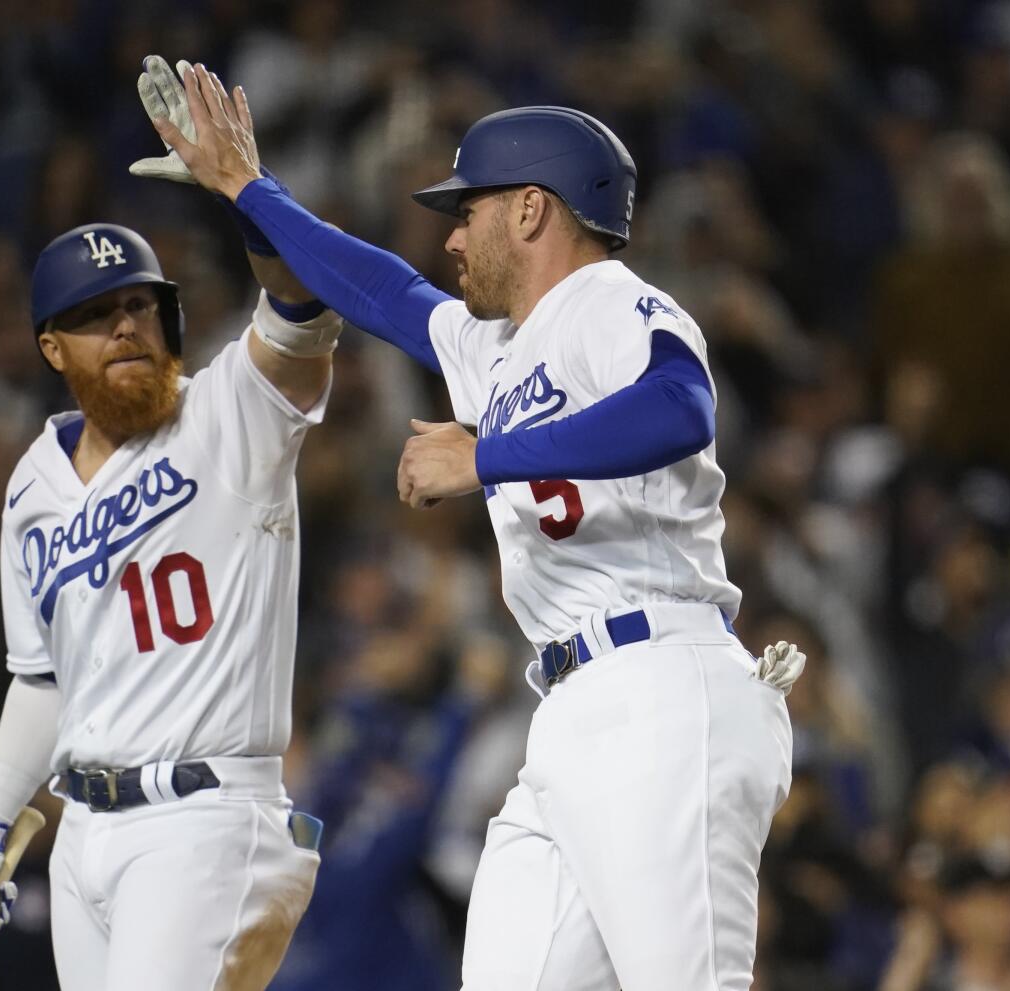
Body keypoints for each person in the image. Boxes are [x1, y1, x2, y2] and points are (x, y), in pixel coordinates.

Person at [142, 56, 805, 989]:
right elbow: (373, 288)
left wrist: (483, 457)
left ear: (531, 209)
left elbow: (679, 408)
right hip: (572, 712)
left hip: (664, 689)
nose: (453, 238)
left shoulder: (608, 300)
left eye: (469, 210)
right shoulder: (494, 347)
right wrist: (248, 187)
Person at [0, 180, 342, 985]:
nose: (126, 325)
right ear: (52, 347)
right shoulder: (31, 487)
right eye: (96, 314)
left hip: (204, 818)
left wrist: (249, 194)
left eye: (141, 305)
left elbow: (303, 318)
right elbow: (43, 678)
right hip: (83, 832)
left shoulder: (230, 412)